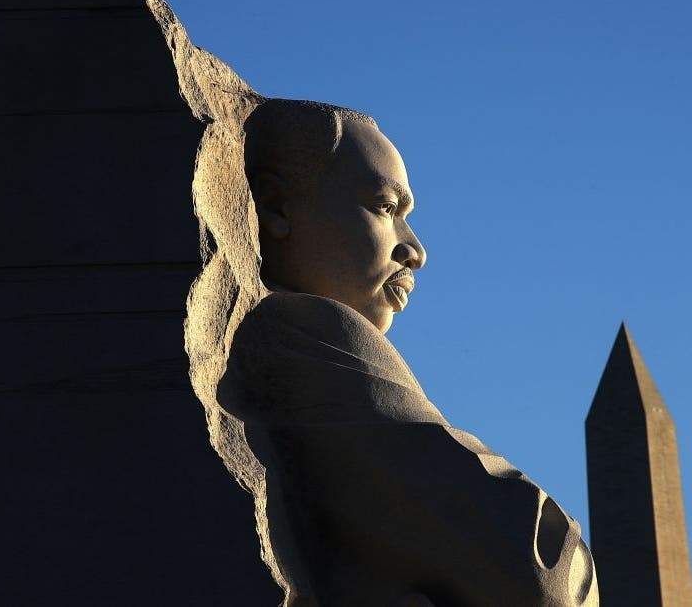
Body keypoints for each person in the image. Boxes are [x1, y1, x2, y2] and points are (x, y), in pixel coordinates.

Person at [215, 99, 598, 606]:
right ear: (276, 207)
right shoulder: (306, 331)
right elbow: (538, 574)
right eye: (385, 207)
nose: (414, 250)